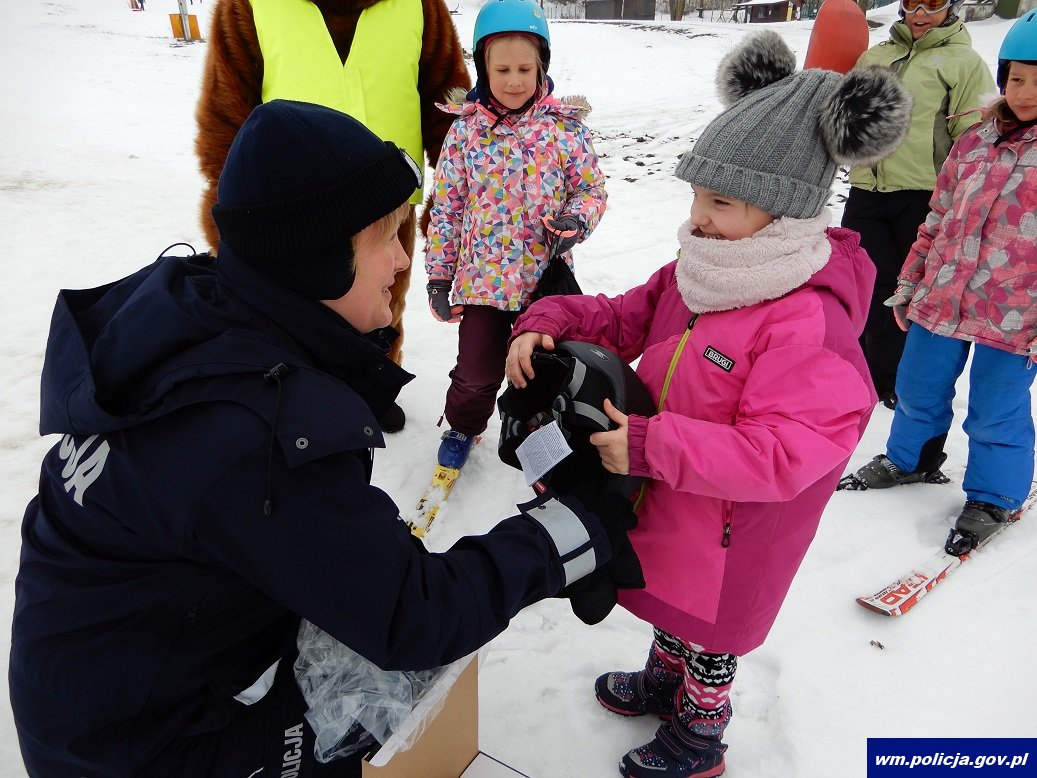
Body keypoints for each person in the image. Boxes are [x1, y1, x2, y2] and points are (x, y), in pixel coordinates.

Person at [8, 100, 642, 778]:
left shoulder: (198, 322)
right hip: (139, 751)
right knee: (375, 705)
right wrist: (573, 530)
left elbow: (295, 531)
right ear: (315, 263)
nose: (403, 261)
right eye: (385, 239)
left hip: (102, 692)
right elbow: (414, 617)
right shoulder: (256, 434)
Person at [505, 32, 912, 778]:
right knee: (671, 594)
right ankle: (665, 681)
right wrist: (549, 318)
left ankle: (700, 732)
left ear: (784, 211)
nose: (697, 217)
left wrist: (652, 446)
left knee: (712, 630)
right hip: (676, 492)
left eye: (719, 202)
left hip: (739, 524)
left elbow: (785, 451)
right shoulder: (704, 267)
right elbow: (624, 317)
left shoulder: (806, 320)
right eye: (695, 195)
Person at [194, 0, 472, 432]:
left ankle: (371, 384)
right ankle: (293, 397)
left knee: (382, 307)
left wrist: (459, 198)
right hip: (290, 212)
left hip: (390, 203)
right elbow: (225, 115)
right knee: (291, 316)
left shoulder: (419, 6)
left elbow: (450, 110)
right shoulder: (249, 6)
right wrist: (236, 226)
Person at [840, 12, 1037, 549]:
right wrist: (911, 279)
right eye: (1017, 78)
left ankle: (993, 495)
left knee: (996, 406)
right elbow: (938, 215)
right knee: (917, 386)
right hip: (943, 293)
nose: (1025, 92)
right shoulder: (973, 141)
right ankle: (911, 459)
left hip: (1016, 311)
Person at [424, 0, 607, 472]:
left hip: (543, 281)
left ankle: (542, 432)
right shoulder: (464, 132)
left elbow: (590, 189)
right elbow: (446, 209)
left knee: (541, 368)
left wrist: (576, 220)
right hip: (481, 283)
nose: (513, 81)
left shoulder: (565, 129)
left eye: (525, 69)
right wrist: (439, 278)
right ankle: (464, 425)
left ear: (542, 64)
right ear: (483, 68)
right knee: (475, 372)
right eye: (501, 69)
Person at [840, 0, 996, 410]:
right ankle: (849, 367)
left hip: (923, 195)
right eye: (912, 3)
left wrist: (963, 199)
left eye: (933, 3)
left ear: (951, 7)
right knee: (857, 280)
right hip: (866, 189)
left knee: (900, 286)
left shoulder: (963, 63)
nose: (921, 13)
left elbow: (975, 139)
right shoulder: (875, 56)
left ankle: (887, 378)